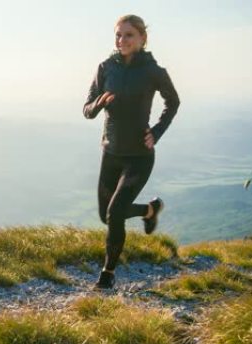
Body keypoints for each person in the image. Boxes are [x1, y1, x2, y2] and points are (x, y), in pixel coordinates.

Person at [83, 14, 180, 290]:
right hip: (111, 152)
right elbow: (87, 109)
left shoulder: (153, 71)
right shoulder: (105, 68)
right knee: (107, 216)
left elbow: (173, 102)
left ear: (142, 39)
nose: (121, 40)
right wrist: (99, 103)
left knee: (115, 213)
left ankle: (108, 273)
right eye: (118, 35)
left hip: (139, 156)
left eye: (128, 35)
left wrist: (157, 132)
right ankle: (151, 210)